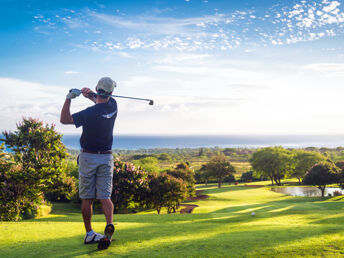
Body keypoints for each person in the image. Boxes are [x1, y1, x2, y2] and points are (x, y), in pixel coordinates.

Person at [60, 77, 117, 250]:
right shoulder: (113, 105)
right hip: (106, 157)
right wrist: (89, 95)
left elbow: (65, 119)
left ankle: (90, 234)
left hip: (88, 157)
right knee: (105, 197)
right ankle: (109, 225)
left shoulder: (89, 113)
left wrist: (69, 98)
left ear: (97, 89)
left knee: (88, 198)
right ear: (111, 92)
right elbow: (100, 100)